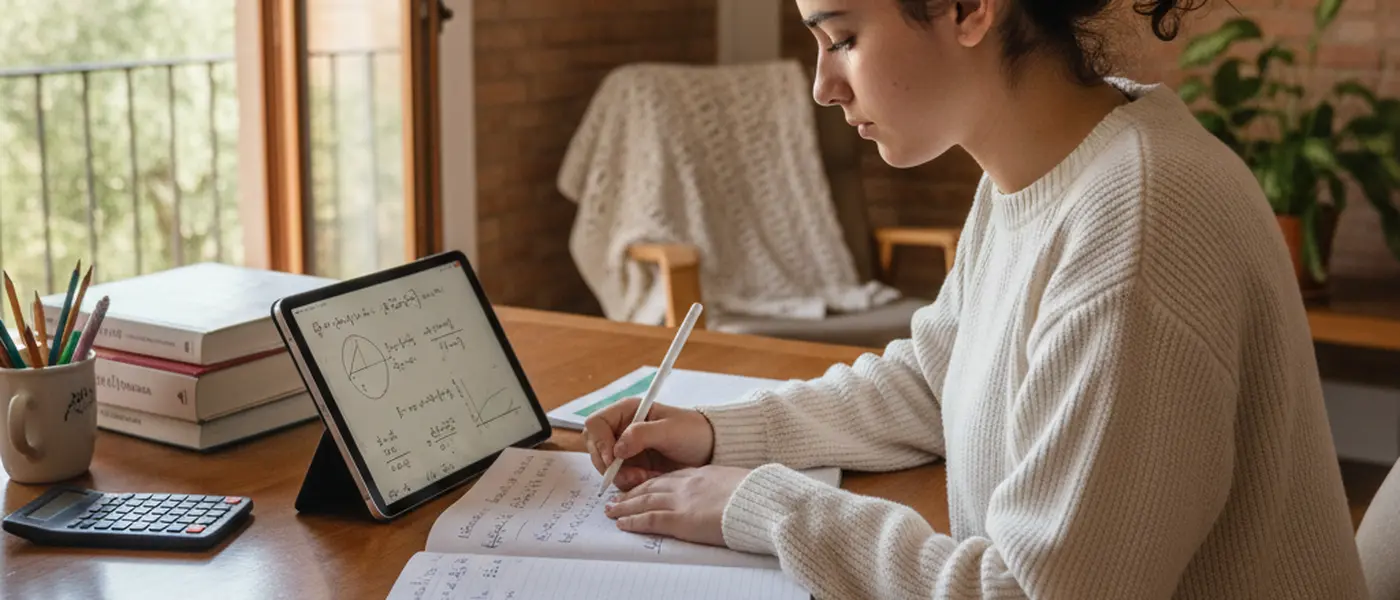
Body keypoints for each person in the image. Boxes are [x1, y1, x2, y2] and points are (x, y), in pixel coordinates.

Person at [582, 0, 1370, 597]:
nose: (821, 85)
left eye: (843, 38)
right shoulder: (1043, 165)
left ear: (968, 8)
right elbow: (935, 379)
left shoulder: (1136, 222)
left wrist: (768, 507)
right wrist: (722, 434)